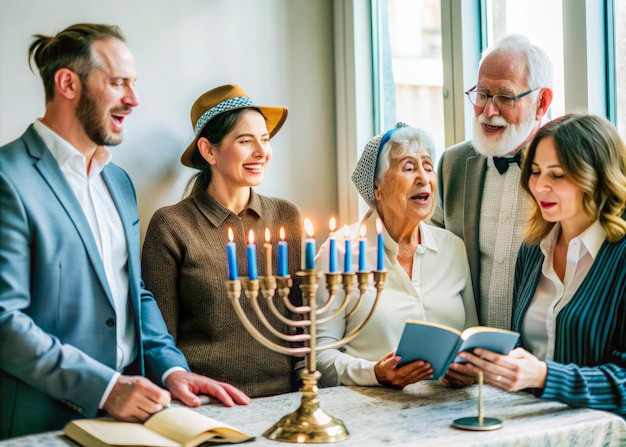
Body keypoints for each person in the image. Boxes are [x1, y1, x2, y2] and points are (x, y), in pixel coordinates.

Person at [0, 24, 249, 440]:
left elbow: (134, 292)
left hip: (131, 423)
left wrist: (171, 368)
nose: (133, 100)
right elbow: (4, 321)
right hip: (39, 426)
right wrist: (106, 388)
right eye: (118, 83)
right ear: (67, 83)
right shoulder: (8, 178)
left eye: (133, 84)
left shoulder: (118, 182)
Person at [451, 113, 626, 416]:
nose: (540, 186)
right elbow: (529, 356)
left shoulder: (620, 256)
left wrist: (545, 377)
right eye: (534, 171)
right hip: (534, 426)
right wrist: (486, 369)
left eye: (557, 175)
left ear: (597, 177)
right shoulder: (533, 250)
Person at [141, 84, 304, 398]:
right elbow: (160, 338)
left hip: (287, 398)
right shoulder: (172, 225)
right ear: (208, 151)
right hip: (208, 401)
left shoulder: (287, 216)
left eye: (265, 139)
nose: (262, 152)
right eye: (245, 141)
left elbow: (304, 320)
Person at [315, 123, 478, 389]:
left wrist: (471, 369)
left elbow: (472, 338)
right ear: (376, 188)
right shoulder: (339, 252)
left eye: (428, 166)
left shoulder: (453, 249)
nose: (424, 178)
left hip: (451, 410)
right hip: (372, 414)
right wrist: (374, 373)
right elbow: (319, 358)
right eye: (409, 167)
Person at [431, 34, 554, 329]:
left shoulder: (568, 172)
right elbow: (429, 256)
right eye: (482, 93)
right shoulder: (453, 164)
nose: (489, 111)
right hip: (464, 358)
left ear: (542, 102)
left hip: (540, 361)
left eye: (505, 97)